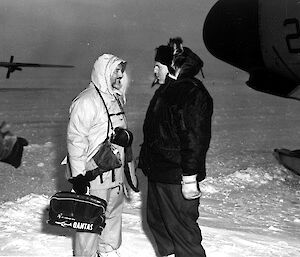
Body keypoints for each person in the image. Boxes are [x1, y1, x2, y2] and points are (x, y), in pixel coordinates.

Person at [138, 38, 213, 257]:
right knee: (159, 224)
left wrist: (190, 176)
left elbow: (195, 140)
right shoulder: (167, 90)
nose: (154, 70)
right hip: (160, 173)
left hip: (176, 176)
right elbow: (157, 133)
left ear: (172, 66)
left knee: (182, 231)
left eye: (158, 66)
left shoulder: (191, 92)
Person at [65, 53, 137, 257]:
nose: (120, 76)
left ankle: (107, 250)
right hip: (93, 175)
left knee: (113, 215)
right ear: (103, 72)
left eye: (121, 71)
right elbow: (76, 140)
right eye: (116, 71)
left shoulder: (115, 99)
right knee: (89, 221)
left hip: (115, 173)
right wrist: (78, 176)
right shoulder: (86, 101)